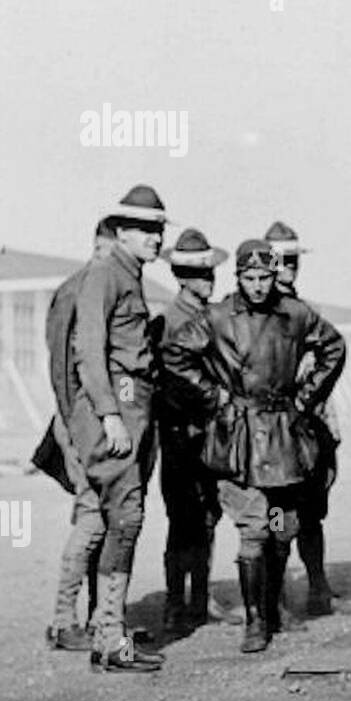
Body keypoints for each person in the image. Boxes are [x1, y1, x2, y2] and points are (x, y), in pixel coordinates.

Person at [163, 239, 346, 653]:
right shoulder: (218, 316)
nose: (259, 286)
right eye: (250, 278)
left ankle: (273, 605)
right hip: (239, 437)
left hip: (284, 434)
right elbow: (175, 355)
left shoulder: (294, 313)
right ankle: (256, 620)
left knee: (283, 528)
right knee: (253, 528)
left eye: (265, 277)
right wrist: (213, 397)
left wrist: (306, 397)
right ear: (238, 278)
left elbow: (334, 346)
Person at [68, 185, 168, 673]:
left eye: (159, 228)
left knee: (125, 518)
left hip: (136, 403)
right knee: (124, 518)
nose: (156, 237)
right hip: (120, 407)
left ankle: (109, 627)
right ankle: (109, 637)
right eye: (146, 229)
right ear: (121, 231)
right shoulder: (105, 275)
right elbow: (89, 348)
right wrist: (110, 415)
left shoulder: (129, 275)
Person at [36, 217, 114, 651]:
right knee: (92, 517)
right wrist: (77, 424)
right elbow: (63, 370)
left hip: (86, 420)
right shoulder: (79, 289)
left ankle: (93, 617)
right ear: (102, 245)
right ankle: (64, 621)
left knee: (99, 517)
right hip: (80, 421)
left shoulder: (90, 286)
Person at [153, 228, 232, 633]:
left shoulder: (210, 316)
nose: (208, 279)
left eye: (210, 272)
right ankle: (174, 603)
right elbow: (171, 380)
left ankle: (199, 601)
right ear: (181, 276)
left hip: (209, 434)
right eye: (198, 273)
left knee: (208, 515)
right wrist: (210, 397)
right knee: (182, 519)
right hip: (181, 435)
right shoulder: (169, 321)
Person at [264, 220, 341, 616]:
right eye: (280, 260)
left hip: (309, 428)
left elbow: (328, 359)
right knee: (277, 515)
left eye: (293, 260)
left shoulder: (307, 312)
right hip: (272, 432)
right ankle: (273, 595)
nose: (288, 267)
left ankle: (317, 584)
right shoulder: (255, 314)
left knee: (312, 513)